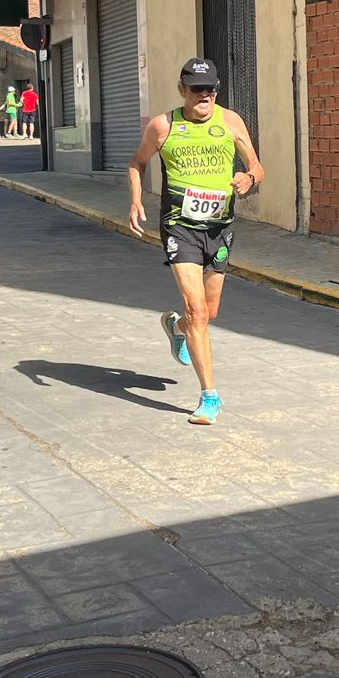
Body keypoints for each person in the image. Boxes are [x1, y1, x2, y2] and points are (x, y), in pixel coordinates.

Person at [127, 57, 264, 425]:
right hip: (180, 227)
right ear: (182, 90)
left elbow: (257, 166)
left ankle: (177, 329)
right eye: (197, 89)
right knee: (198, 312)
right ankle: (209, 396)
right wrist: (136, 200)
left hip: (219, 229)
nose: (205, 95)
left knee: (210, 312)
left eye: (211, 89)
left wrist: (248, 179)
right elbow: (137, 162)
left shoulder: (230, 121)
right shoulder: (164, 126)